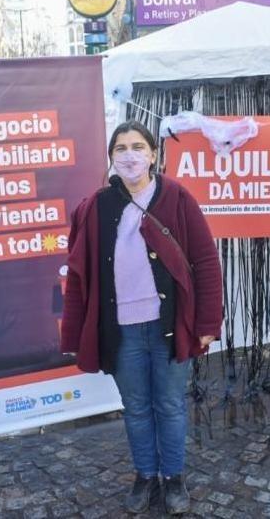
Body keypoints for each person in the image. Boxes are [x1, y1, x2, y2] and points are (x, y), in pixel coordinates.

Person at [60, 120, 223, 514]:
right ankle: (145, 475)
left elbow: (205, 262)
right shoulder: (95, 207)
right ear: (112, 158)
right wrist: (74, 333)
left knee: (169, 404)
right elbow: (80, 276)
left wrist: (206, 325)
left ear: (153, 155)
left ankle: (174, 477)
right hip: (122, 332)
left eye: (137, 147)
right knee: (135, 407)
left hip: (168, 327)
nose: (129, 155)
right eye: (120, 148)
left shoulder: (178, 199)